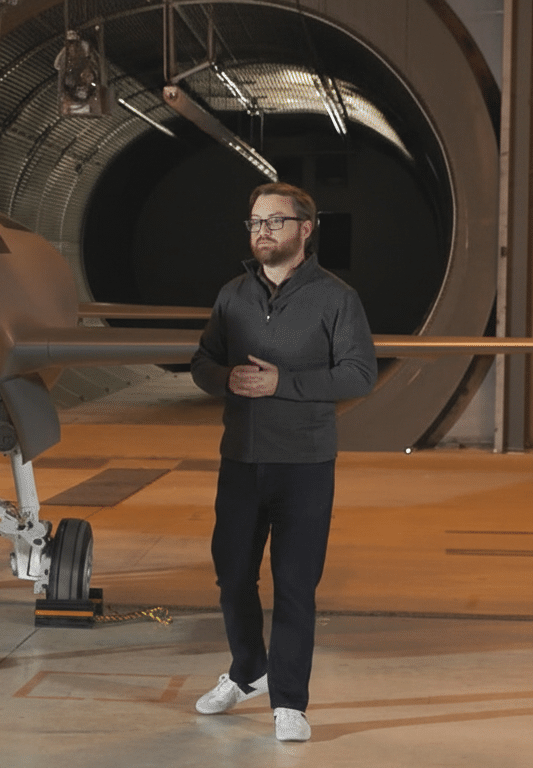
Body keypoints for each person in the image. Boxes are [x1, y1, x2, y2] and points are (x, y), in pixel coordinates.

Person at [189, 182, 377, 742]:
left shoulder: (337, 298)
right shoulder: (232, 295)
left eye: (274, 221)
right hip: (241, 463)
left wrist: (282, 384)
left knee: (295, 585)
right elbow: (203, 361)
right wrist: (224, 378)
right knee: (232, 578)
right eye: (254, 222)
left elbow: (359, 374)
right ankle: (248, 671)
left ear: (305, 228)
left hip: (305, 466)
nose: (262, 231)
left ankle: (289, 700)